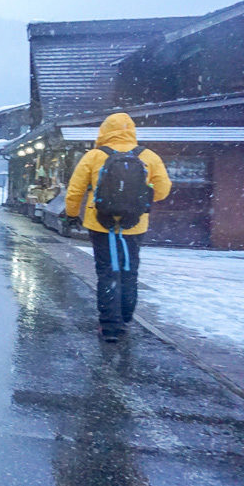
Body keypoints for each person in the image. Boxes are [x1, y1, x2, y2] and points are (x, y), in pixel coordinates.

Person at [64, 113, 171, 342]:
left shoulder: (94, 156)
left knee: (107, 272)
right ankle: (125, 320)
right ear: (131, 130)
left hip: (100, 222)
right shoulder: (148, 156)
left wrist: (72, 214)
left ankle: (109, 326)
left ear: (104, 130)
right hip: (134, 224)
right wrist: (138, 197)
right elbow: (163, 190)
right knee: (129, 272)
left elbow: (75, 190)